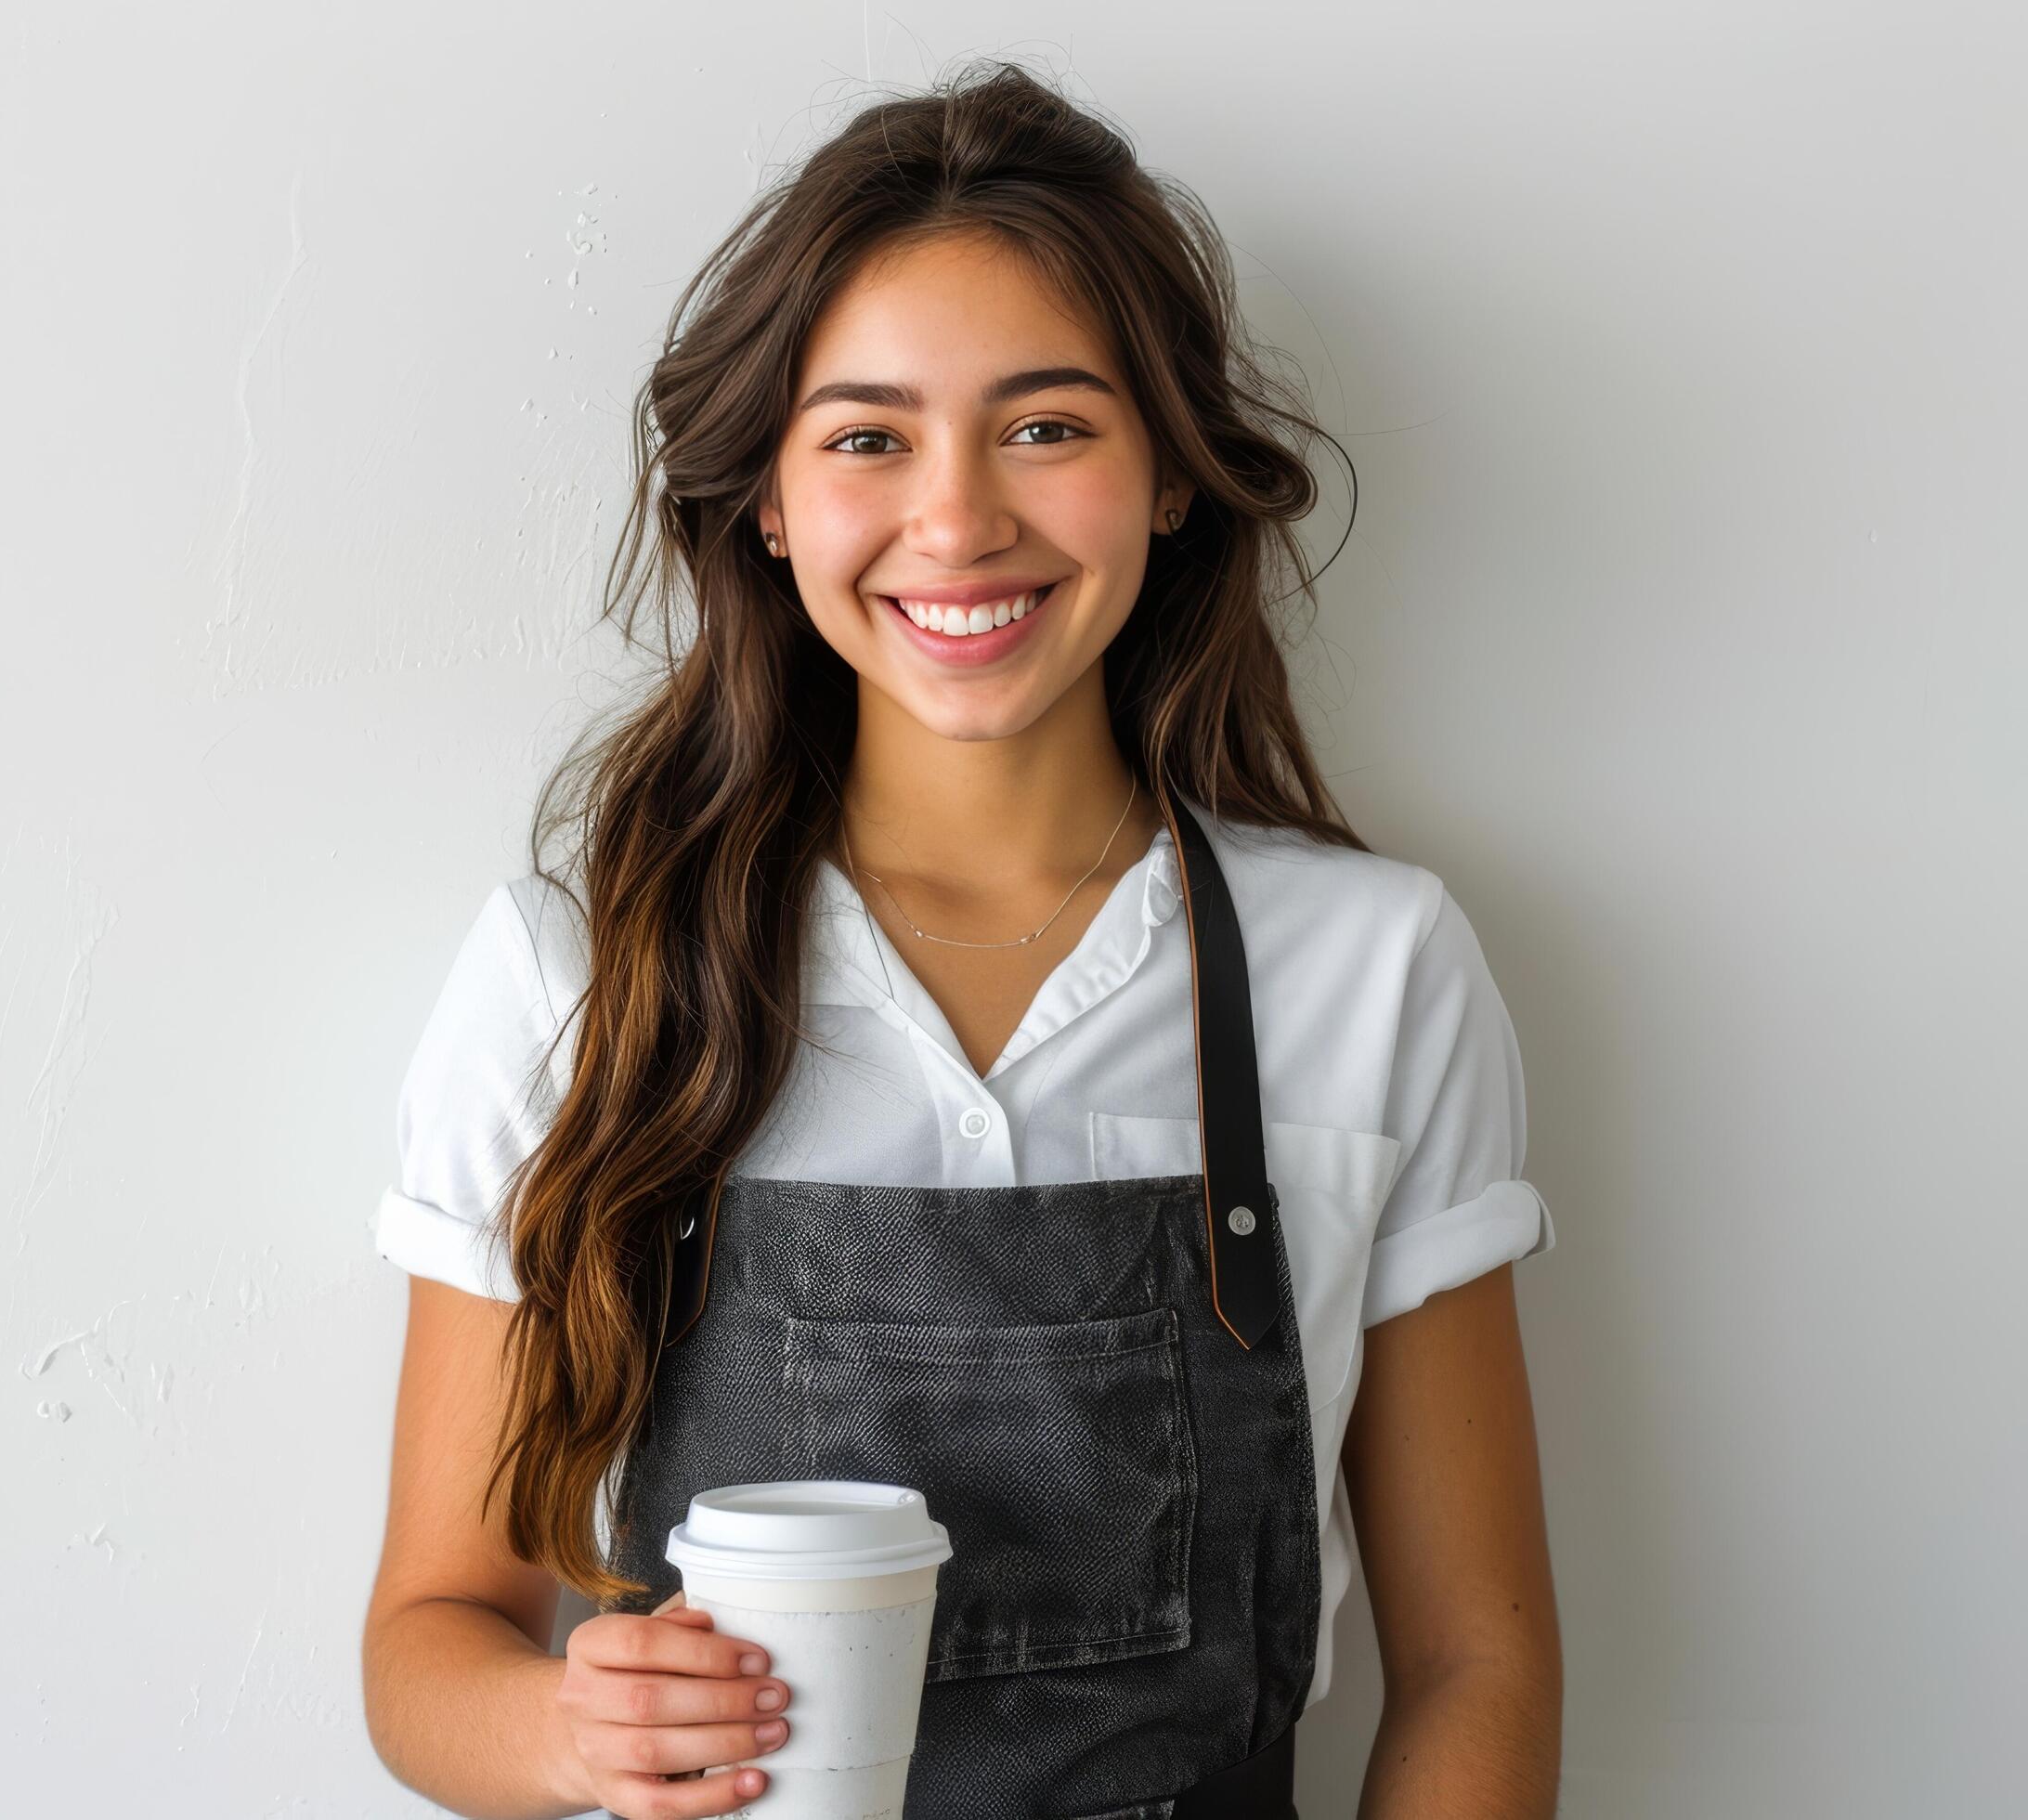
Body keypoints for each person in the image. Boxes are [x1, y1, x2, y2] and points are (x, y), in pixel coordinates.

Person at [359, 59, 1562, 1820]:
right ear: (767, 503)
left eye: (1046, 426)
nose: (957, 517)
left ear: (1166, 476)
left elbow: (1480, 1660)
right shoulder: (576, 977)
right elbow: (428, 1633)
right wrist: (559, 1732)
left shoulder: (1373, 969)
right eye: (866, 437)